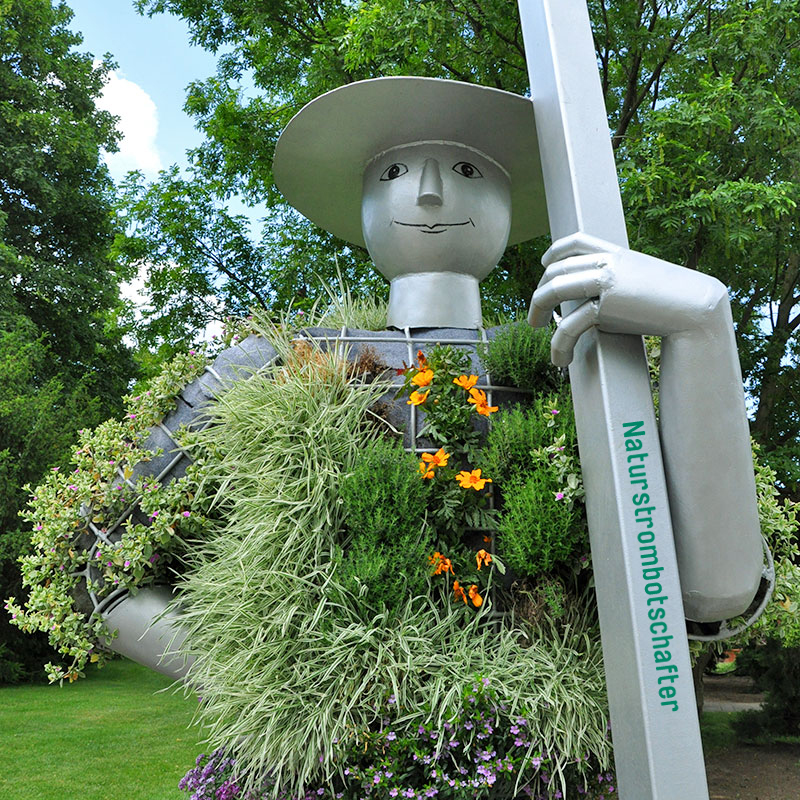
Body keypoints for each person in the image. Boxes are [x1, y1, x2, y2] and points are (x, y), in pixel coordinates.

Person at [274, 75, 767, 628]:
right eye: (394, 173)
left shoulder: (569, 358)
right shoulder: (296, 358)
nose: (429, 192)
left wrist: (702, 325)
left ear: (508, 203)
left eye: (467, 170)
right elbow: (184, 544)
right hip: (354, 665)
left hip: (535, 665)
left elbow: (713, 595)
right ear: (362, 203)